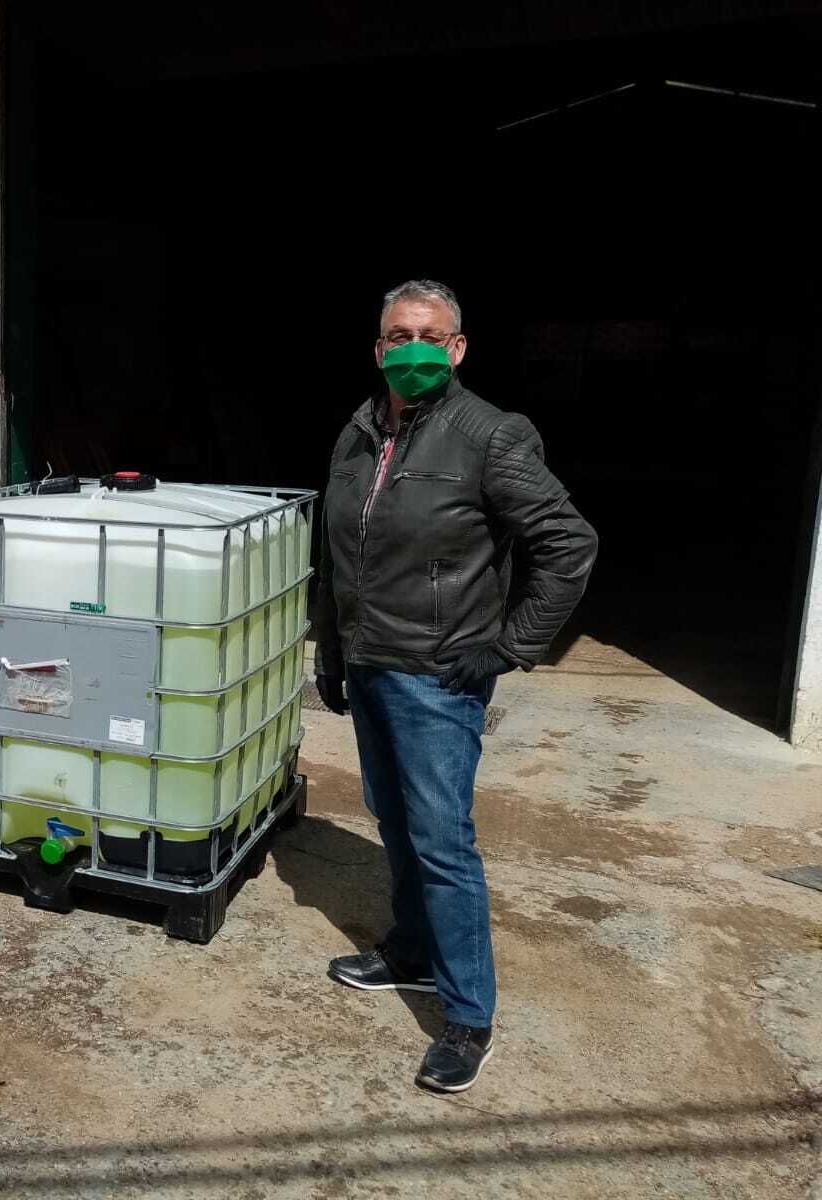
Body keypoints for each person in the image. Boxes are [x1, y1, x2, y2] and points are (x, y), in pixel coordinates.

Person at [313, 280, 597, 1092]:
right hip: (370, 663)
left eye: (429, 336)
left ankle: (469, 1016)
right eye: (398, 335)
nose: (413, 349)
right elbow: (336, 553)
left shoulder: (491, 436)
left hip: (439, 677)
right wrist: (331, 651)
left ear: (458, 347)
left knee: (443, 841)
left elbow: (569, 544)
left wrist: (510, 646)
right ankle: (410, 951)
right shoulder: (358, 432)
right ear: (378, 349)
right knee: (393, 818)